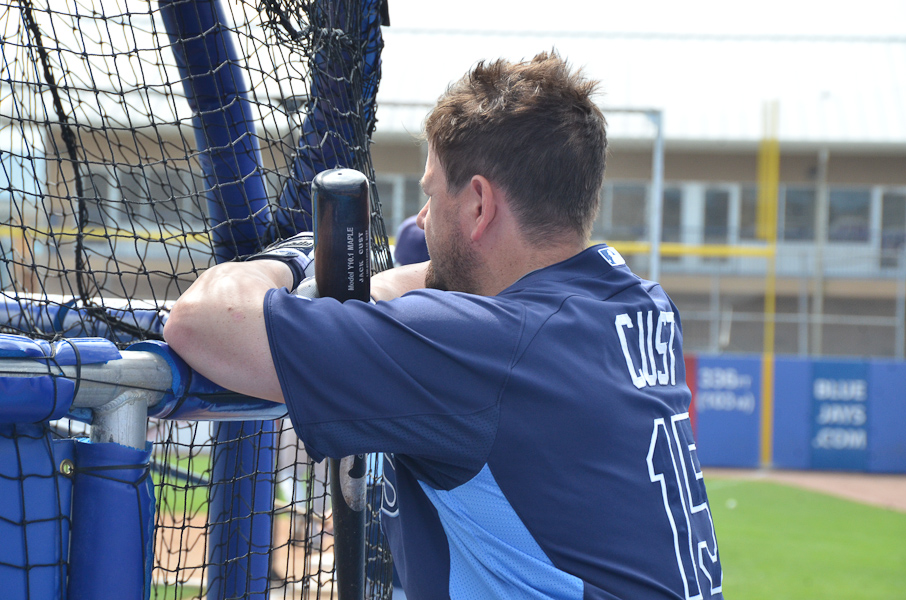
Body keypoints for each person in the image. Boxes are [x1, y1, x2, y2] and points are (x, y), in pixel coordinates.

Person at [164, 51, 723, 599]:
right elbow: (446, 291)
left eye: (431, 193)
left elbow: (201, 322)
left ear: (479, 205)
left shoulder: (488, 347)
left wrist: (296, 256)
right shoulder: (642, 304)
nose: (423, 219)